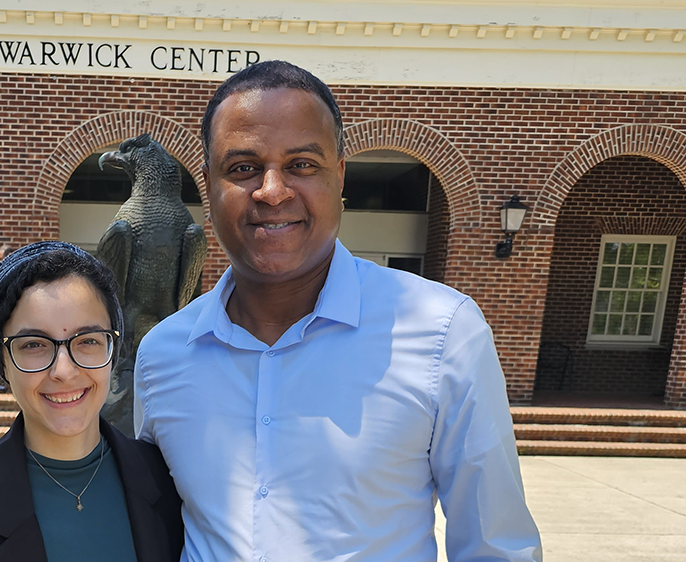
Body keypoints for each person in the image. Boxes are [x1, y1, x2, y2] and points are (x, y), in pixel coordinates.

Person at [134, 60, 542, 561]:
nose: (272, 190)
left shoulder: (441, 332)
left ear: (340, 176)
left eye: (302, 164)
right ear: (209, 185)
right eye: (242, 168)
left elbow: (495, 547)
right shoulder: (162, 356)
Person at [0, 241, 183, 562]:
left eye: (88, 341)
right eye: (34, 344)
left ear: (112, 353)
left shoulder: (171, 479)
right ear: (4, 363)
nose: (64, 371)